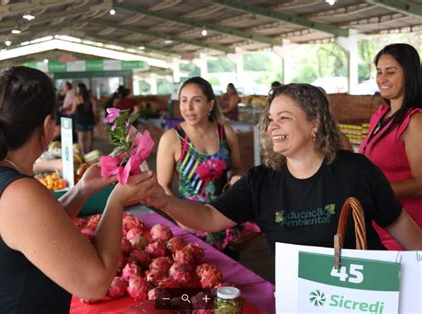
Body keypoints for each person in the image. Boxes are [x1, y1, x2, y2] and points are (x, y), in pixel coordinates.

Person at [0, 66, 156, 313]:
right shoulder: (18, 193)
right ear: (49, 127)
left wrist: (82, 190)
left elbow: (35, 230)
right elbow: (95, 283)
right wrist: (116, 200)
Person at [145, 83, 422, 255]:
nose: (272, 125)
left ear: (315, 124)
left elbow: (400, 226)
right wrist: (163, 200)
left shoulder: (356, 171)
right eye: (271, 119)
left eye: (284, 118)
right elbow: (208, 217)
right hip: (299, 302)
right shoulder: (261, 182)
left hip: (359, 301)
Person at [156, 77, 258, 257]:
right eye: (184, 100)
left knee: (232, 275)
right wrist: (181, 219)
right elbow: (162, 186)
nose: (188, 108)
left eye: (196, 101)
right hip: (190, 222)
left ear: (210, 105)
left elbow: (238, 168)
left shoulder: (225, 132)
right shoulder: (172, 138)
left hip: (225, 219)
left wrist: (237, 176)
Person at [359, 43, 422, 250]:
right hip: (379, 224)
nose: (382, 79)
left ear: (410, 74)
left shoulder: (415, 121)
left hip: (407, 230)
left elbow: (420, 184)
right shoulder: (381, 115)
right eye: (379, 72)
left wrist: (372, 191)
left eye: (390, 72)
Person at [72, 83, 96, 154]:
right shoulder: (91, 98)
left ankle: (84, 155)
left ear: (79, 89)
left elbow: (73, 110)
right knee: (90, 139)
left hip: (80, 121)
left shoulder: (77, 98)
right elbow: (94, 112)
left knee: (81, 140)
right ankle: (90, 155)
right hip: (90, 120)